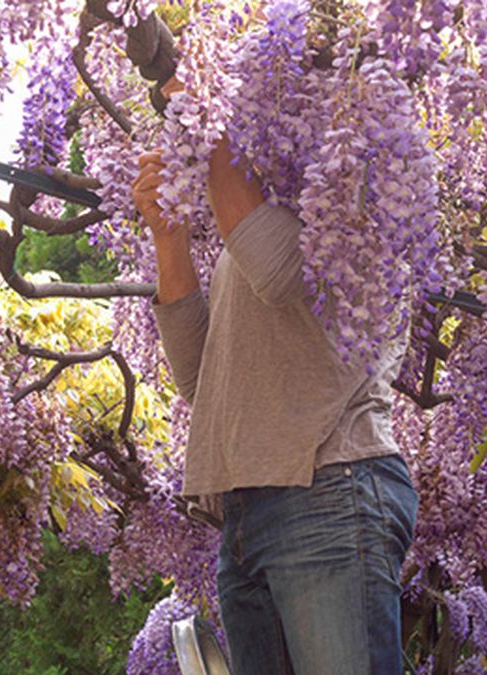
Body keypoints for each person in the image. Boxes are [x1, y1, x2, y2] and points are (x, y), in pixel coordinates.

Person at [133, 80, 419, 675]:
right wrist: (169, 234)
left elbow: (277, 269)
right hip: (247, 510)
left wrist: (202, 106)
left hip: (330, 487)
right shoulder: (263, 222)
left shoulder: (363, 187)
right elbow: (200, 381)